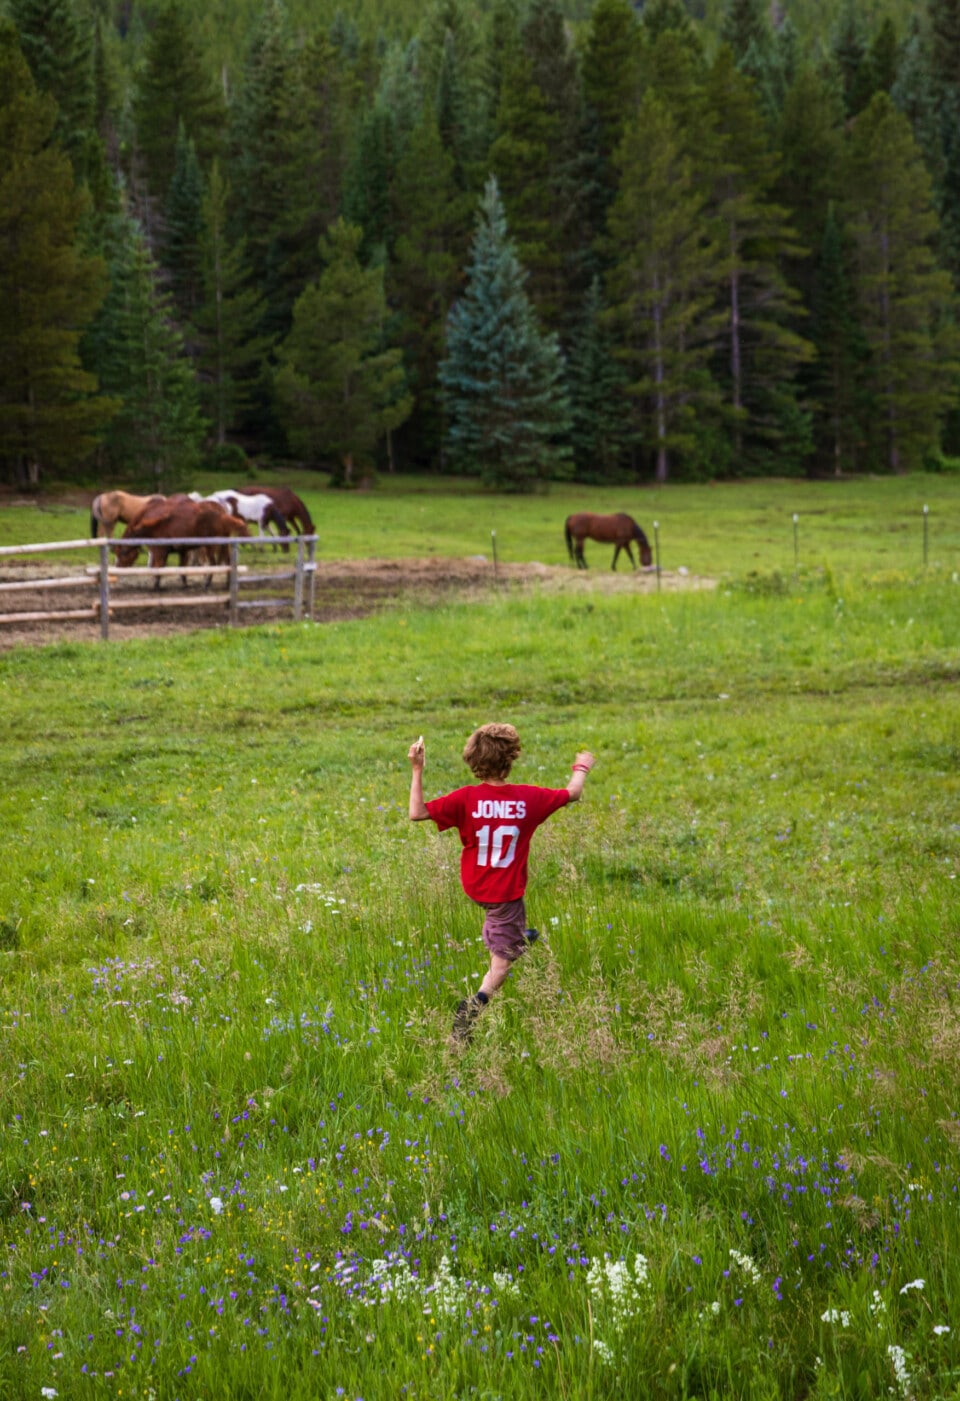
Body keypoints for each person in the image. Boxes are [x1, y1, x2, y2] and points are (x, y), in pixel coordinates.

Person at [408, 723, 594, 1043]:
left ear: (473, 760)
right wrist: (581, 766)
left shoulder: (466, 799)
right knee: (502, 964)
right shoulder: (528, 799)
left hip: (475, 886)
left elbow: (417, 813)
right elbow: (574, 793)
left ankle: (520, 937)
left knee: (507, 929)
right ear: (511, 758)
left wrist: (417, 768)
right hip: (504, 896)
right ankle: (474, 1007)